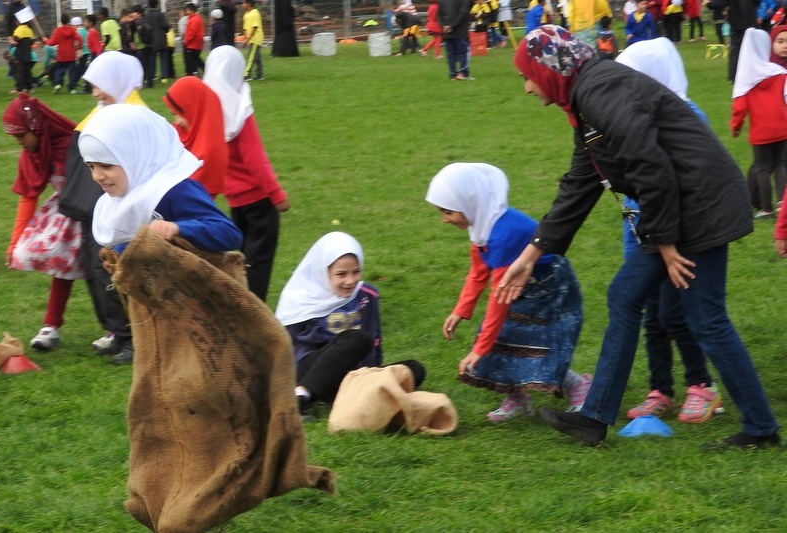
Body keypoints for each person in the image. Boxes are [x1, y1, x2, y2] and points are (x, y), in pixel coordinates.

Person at [503, 25, 780, 449]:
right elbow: (580, 184)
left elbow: (650, 165)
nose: (525, 87)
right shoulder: (586, 98)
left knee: (706, 317)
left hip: (699, 206)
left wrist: (665, 243)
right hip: (682, 206)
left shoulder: (599, 89)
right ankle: (593, 418)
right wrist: (531, 254)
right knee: (625, 296)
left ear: (550, 68)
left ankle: (760, 429)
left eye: (527, 74)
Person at [426, 163, 592, 422]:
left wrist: (480, 349)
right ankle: (517, 398)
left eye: (448, 212)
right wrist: (461, 310)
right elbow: (478, 272)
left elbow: (498, 299)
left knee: (537, 344)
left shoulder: (502, 233)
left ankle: (579, 385)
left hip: (547, 286)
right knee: (504, 337)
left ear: (469, 202)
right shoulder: (481, 225)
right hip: (520, 285)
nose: (445, 219)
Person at [615, 37, 722, 423]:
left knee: (679, 313)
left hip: (680, 234)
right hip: (639, 228)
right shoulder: (636, 117)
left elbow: (690, 180)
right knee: (651, 314)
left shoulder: (687, 116)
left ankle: (702, 386)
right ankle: (660, 389)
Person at [275, 231, 425, 421]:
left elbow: (374, 337)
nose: (350, 281)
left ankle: (361, 393)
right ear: (323, 272)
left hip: (354, 373)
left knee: (414, 368)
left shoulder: (367, 295)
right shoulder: (300, 298)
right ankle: (300, 397)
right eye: (341, 274)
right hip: (308, 370)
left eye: (356, 272)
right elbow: (284, 349)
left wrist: (373, 371)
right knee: (356, 338)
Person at [59, 51, 146, 365]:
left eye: (100, 85)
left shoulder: (134, 115)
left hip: (119, 209)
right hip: (94, 207)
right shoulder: (105, 110)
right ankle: (116, 332)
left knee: (116, 272)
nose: (95, 92)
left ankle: (134, 339)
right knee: (95, 271)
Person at [78, 104, 242, 253]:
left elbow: (229, 233)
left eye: (107, 166)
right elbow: (136, 236)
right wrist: (122, 256)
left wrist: (177, 228)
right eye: (91, 166)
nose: (97, 176)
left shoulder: (176, 190)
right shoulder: (121, 198)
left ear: (136, 158)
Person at [203, 46, 290, 302]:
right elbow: (255, 158)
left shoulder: (210, 111)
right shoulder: (240, 110)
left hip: (235, 201)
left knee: (240, 261)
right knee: (258, 263)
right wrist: (277, 194)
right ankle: (255, 316)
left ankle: (240, 309)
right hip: (259, 201)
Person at [2, 94, 82, 351]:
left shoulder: (73, 145)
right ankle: (51, 326)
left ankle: (117, 329)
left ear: (36, 127)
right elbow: (28, 197)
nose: (19, 143)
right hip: (65, 209)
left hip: (92, 209)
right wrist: (14, 244)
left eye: (21, 136)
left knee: (101, 268)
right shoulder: (33, 153)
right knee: (61, 264)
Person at [731, 28, 787, 220]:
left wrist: (736, 127)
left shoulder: (747, 77)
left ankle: (766, 208)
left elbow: (740, 107)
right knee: (780, 164)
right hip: (782, 127)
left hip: (761, 131)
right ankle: (782, 202)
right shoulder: (779, 72)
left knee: (762, 168)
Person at [162, 76, 228, 198]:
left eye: (179, 114)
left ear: (194, 110)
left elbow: (184, 195)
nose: (177, 121)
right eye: (173, 114)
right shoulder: (181, 132)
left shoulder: (209, 152)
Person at [47, 14, 83, 95]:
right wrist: (78, 48)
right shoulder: (72, 30)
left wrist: (46, 41)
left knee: (59, 70)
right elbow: (79, 39)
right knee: (72, 72)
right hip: (71, 54)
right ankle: (72, 88)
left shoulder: (57, 30)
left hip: (61, 55)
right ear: (68, 21)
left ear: (61, 21)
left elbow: (53, 42)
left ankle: (58, 83)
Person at [439, 0, 472, 80]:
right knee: (463, 52)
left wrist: (444, 26)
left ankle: (452, 74)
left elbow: (439, 15)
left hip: (447, 32)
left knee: (451, 54)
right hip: (460, 31)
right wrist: (452, 26)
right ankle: (463, 73)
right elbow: (463, 13)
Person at [242, 0, 265, 80]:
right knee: (257, 57)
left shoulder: (255, 13)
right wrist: (245, 39)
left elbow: (255, 27)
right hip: (250, 39)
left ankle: (246, 74)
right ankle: (260, 75)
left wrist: (248, 39)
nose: (243, 5)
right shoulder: (246, 14)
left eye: (244, 3)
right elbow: (245, 28)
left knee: (251, 56)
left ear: (249, 4)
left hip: (255, 38)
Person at [182, 2, 205, 76]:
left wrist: (186, 40)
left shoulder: (193, 19)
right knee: (196, 59)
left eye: (188, 10)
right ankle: (198, 72)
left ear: (192, 10)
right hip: (196, 43)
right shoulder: (196, 18)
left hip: (192, 44)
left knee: (192, 61)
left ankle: (193, 73)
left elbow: (192, 32)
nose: (186, 12)